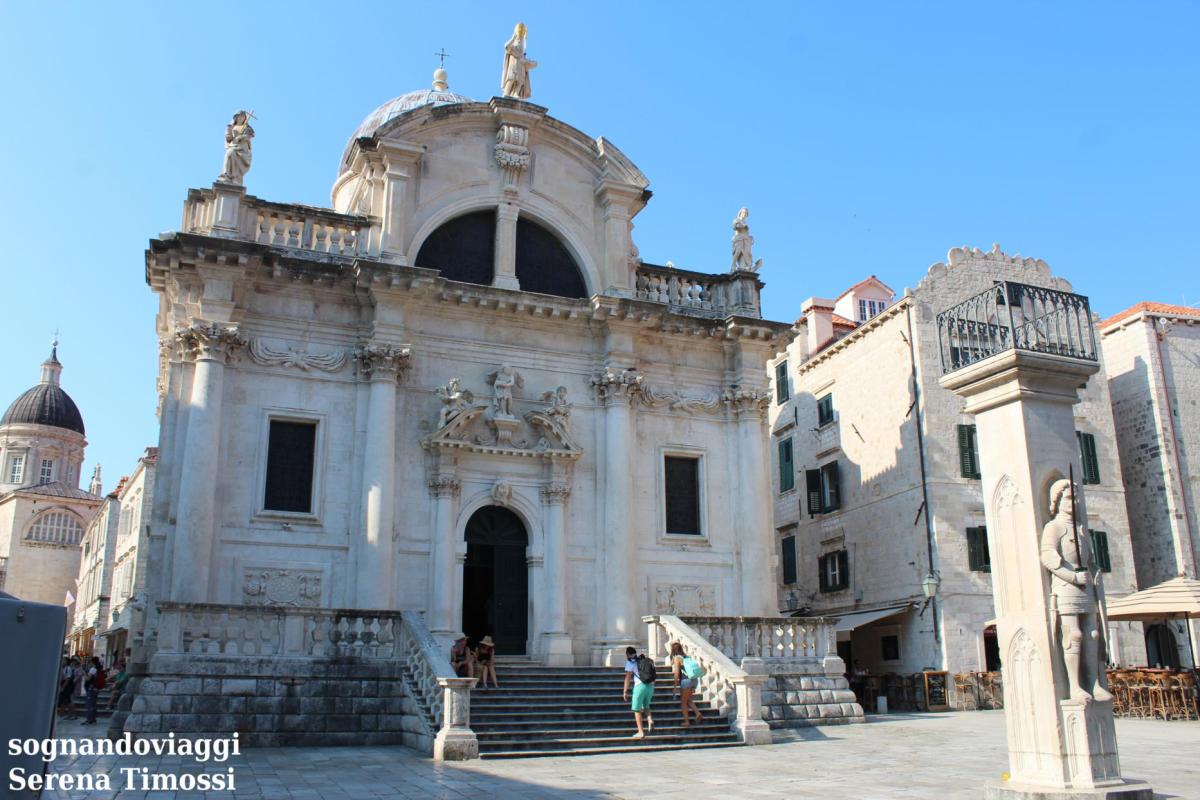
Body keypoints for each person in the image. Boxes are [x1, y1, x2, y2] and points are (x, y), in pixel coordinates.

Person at [622, 646, 656, 739]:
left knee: (637, 710)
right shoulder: (644, 660)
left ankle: (641, 732)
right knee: (646, 706)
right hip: (650, 686)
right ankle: (650, 720)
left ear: (627, 654)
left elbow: (628, 677)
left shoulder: (630, 662)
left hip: (639, 687)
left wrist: (625, 691)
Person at [669, 642, 704, 728]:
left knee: (683, 702)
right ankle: (697, 713)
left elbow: (677, 673)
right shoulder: (686, 657)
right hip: (694, 680)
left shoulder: (677, 658)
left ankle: (686, 721)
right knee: (688, 699)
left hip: (686, 681)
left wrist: (675, 686)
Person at [82, 656, 105, 725]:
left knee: (90, 704)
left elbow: (88, 679)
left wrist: (84, 674)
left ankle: (89, 719)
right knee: (94, 704)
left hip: (91, 688)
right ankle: (93, 719)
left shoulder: (93, 669)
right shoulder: (99, 669)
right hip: (95, 688)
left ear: (92, 662)